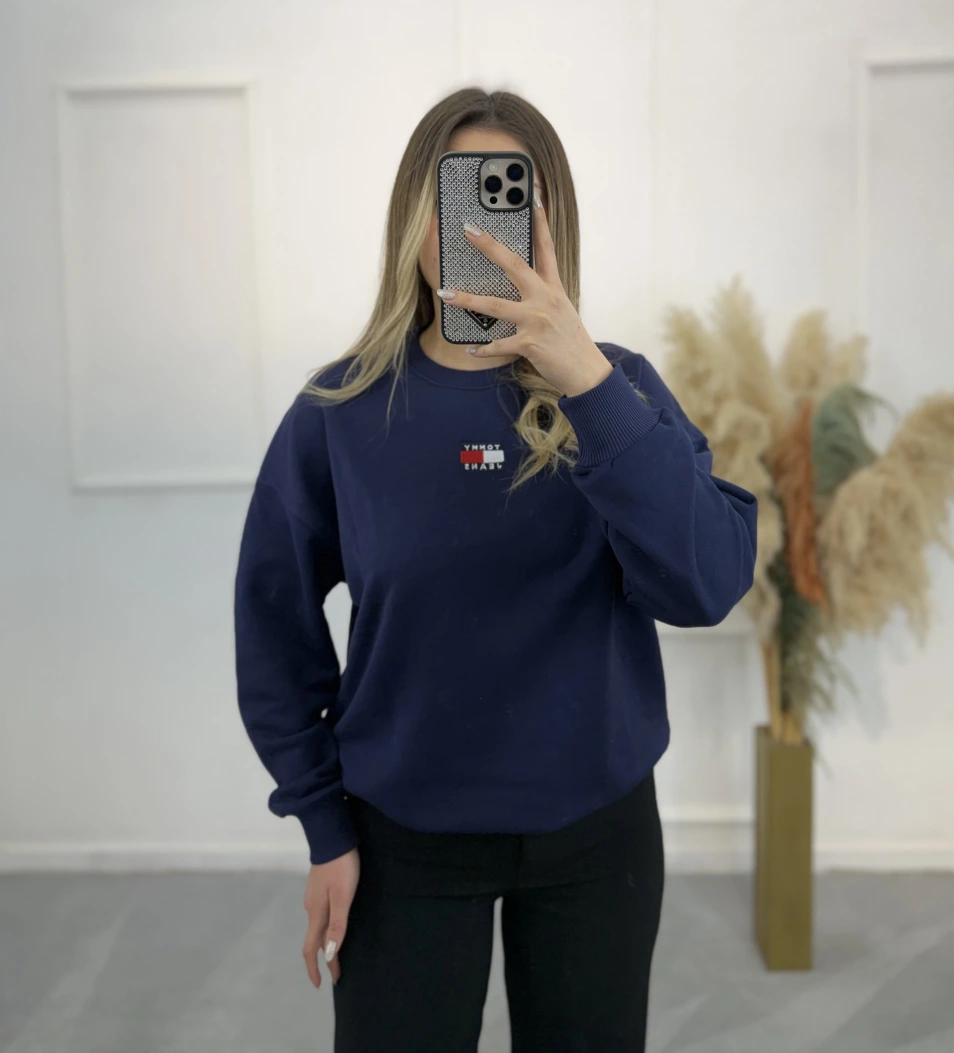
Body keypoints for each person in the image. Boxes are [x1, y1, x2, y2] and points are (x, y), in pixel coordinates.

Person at [233, 87, 759, 1053]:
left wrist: (587, 382)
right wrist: (322, 825)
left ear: (548, 225)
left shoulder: (617, 389)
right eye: (458, 197)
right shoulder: (341, 411)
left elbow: (709, 582)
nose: (480, 231)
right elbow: (274, 631)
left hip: (597, 832)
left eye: (507, 199)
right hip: (402, 835)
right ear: (415, 218)